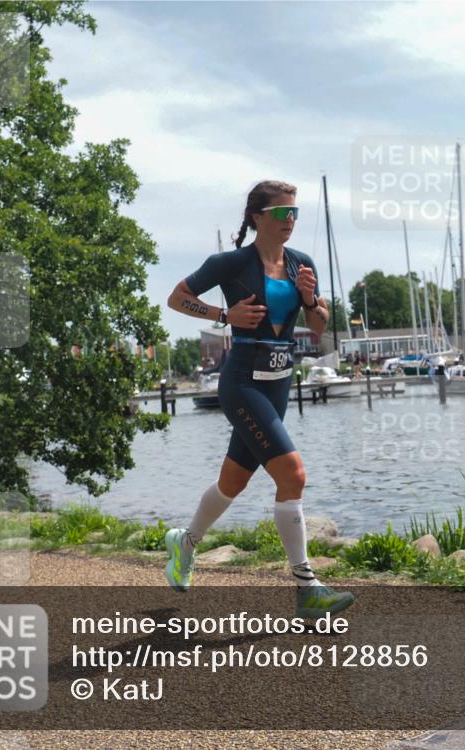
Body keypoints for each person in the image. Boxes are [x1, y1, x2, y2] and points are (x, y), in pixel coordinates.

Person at [165, 180, 354, 620]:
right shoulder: (229, 263)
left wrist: (310, 298)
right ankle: (307, 588)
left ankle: (185, 543)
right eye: (282, 214)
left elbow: (321, 324)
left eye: (295, 214)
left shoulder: (301, 264)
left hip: (280, 380)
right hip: (243, 381)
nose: (290, 221)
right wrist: (222, 316)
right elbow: (178, 297)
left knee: (234, 482)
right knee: (293, 474)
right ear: (257, 218)